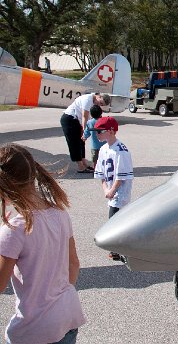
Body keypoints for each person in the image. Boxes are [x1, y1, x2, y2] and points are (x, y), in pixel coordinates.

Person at [0, 144, 86, 344]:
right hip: (67, 316)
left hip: (34, 329)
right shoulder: (60, 213)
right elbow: (73, 264)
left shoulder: (14, 229)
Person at [91, 117, 133, 262]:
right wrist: (106, 190)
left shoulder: (121, 150)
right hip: (110, 192)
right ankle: (119, 248)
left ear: (111, 131)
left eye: (100, 131)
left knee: (114, 221)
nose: (97, 134)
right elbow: (101, 174)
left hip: (120, 193)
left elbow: (121, 177)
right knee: (117, 221)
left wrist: (112, 191)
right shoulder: (103, 149)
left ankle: (118, 249)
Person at [60, 92, 111, 173]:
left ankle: (84, 163)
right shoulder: (87, 99)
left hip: (77, 121)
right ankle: (81, 167)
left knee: (81, 142)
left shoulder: (94, 102)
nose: (99, 105)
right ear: (99, 96)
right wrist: (84, 131)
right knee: (74, 143)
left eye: (101, 105)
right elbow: (85, 116)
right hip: (69, 119)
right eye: (100, 102)